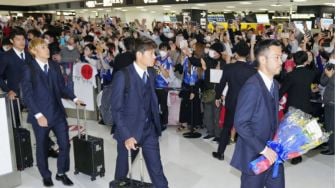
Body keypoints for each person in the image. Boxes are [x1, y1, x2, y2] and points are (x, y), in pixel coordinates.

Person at [21, 38, 84, 187]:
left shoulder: (55, 66)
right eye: (43, 47)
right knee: (42, 147)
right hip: (41, 115)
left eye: (47, 46)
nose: (47, 49)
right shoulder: (28, 68)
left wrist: (74, 98)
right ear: (34, 51)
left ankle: (61, 172)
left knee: (65, 144)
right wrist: (38, 115)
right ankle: (45, 175)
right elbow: (27, 95)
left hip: (57, 113)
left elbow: (61, 87)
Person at [111, 36, 168, 188]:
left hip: (149, 131)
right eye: (151, 54)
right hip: (129, 133)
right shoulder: (123, 76)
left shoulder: (151, 73)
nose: (155, 57)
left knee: (157, 171)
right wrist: (126, 135)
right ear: (139, 55)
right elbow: (116, 110)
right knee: (121, 173)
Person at [231, 39, 284, 188]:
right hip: (254, 156)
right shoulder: (252, 87)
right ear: (262, 59)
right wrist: (264, 149)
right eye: (277, 57)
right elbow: (241, 123)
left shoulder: (274, 84)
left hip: (273, 155)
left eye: (281, 57)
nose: (281, 62)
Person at [212, 41, 256, 160]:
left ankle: (220, 153)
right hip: (247, 103)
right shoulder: (252, 70)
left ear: (236, 54)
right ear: (247, 54)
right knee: (247, 129)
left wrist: (217, 97)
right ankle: (249, 156)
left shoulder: (229, 67)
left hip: (231, 101)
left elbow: (221, 84)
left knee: (227, 127)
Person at [279, 51, 319, 164]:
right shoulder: (310, 74)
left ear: (293, 61)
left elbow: (282, 91)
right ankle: (298, 155)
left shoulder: (291, 75)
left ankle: (290, 153)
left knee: (291, 131)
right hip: (306, 106)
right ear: (306, 61)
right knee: (301, 132)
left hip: (292, 107)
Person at [320, 52, 335, 155]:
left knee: (332, 126)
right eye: (332, 56)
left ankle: (332, 148)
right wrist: (326, 72)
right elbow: (322, 82)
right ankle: (330, 146)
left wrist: (331, 76)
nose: (332, 58)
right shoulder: (330, 66)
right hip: (328, 101)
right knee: (329, 125)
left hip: (333, 101)